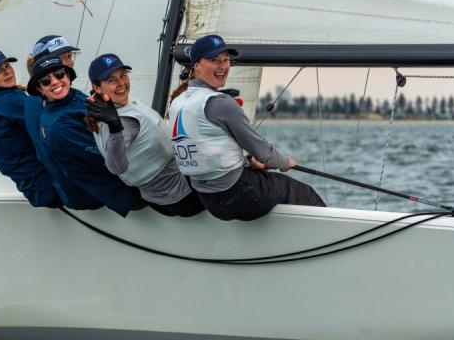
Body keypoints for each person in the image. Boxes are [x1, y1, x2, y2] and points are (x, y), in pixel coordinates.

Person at [168, 35, 325, 221]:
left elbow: (208, 150)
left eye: (225, 60)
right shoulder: (220, 103)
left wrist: (249, 161)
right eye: (214, 60)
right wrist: (284, 162)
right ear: (197, 65)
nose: (222, 66)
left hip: (210, 201)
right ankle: (335, 244)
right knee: (305, 194)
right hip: (240, 196)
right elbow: (263, 152)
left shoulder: (177, 103)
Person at [85, 53, 204, 217]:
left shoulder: (108, 106)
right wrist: (114, 127)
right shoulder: (122, 122)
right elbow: (116, 167)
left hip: (160, 198)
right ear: (97, 87)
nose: (121, 84)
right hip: (181, 196)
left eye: (123, 76)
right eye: (112, 80)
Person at [27, 55, 145, 217]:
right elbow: (103, 157)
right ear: (40, 89)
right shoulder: (59, 127)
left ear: (68, 76)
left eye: (60, 74)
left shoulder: (73, 97)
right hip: (125, 191)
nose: (55, 81)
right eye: (46, 80)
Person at [0, 48, 60, 207]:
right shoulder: (8, 101)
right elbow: (54, 127)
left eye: (7, 66)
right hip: (52, 187)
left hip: (37, 191)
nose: (7, 72)